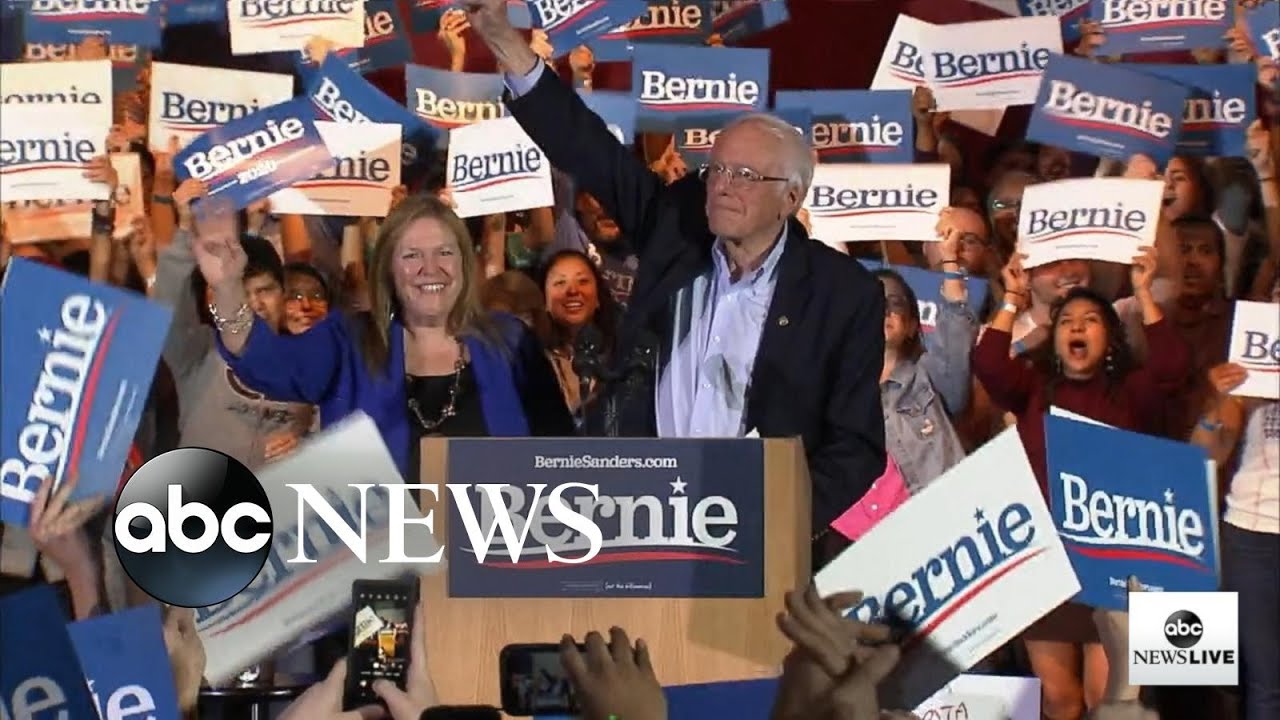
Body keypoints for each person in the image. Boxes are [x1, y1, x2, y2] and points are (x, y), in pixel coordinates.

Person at [463, 0, 887, 565]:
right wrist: (501, 37)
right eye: (717, 170)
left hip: (753, 540)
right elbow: (585, 145)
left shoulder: (842, 295)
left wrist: (778, 523)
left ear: (791, 197)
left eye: (745, 175)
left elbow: (856, 447)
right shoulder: (676, 231)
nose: (723, 186)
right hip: (641, 519)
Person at [193, 193, 574, 479]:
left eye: (445, 252)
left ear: (465, 262)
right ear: (388, 269)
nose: (430, 269)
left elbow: (558, 454)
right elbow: (267, 364)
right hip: (380, 557)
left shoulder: (509, 341)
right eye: (411, 256)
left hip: (492, 553)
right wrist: (227, 288)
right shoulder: (349, 338)